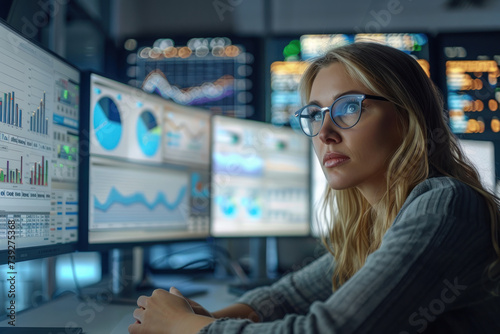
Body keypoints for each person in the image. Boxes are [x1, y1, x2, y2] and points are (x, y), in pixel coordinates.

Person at [128, 42, 500, 334]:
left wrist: (184, 327)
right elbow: (286, 298)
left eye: (348, 107)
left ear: (407, 118)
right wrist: (202, 320)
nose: (324, 133)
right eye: (315, 114)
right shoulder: (374, 224)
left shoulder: (445, 205)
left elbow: (332, 331)